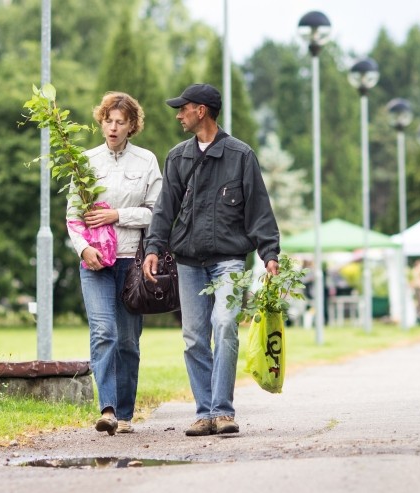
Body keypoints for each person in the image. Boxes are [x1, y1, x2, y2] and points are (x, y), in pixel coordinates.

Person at [143, 83, 280, 437]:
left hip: (229, 261)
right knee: (193, 337)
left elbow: (259, 209)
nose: (178, 114)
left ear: (201, 110)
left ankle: (223, 410)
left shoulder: (240, 155)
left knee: (224, 324)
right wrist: (153, 248)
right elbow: (164, 210)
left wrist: (270, 254)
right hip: (188, 262)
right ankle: (204, 413)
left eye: (183, 108)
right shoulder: (178, 157)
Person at [67, 92, 163, 435]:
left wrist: (117, 214)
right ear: (101, 121)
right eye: (108, 120)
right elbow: (73, 216)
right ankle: (106, 409)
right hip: (95, 264)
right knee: (103, 332)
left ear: (132, 125)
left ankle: (124, 414)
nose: (113, 126)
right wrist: (82, 250)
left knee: (127, 341)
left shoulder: (147, 161)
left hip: (131, 264)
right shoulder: (84, 161)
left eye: (120, 121)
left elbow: (156, 213)